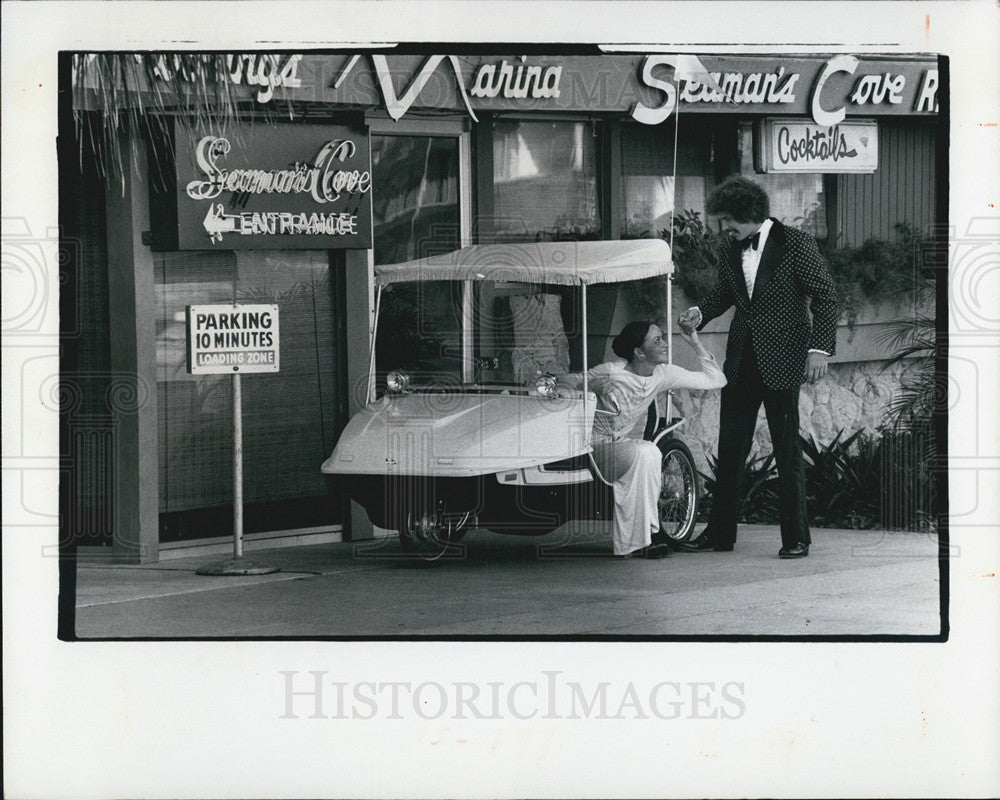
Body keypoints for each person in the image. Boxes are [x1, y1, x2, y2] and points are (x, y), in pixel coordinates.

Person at [676, 177, 838, 558]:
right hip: (742, 359)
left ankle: (796, 538)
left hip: (784, 360)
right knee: (730, 447)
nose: (724, 228)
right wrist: (701, 311)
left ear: (749, 215)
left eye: (729, 221)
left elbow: (826, 296)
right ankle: (719, 535)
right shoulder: (730, 247)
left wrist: (819, 349)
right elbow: (728, 293)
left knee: (786, 450)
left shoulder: (796, 243)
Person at [559, 321, 726, 559]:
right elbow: (560, 384)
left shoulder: (663, 374)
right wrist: (589, 386)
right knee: (645, 452)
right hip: (586, 449)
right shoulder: (611, 371)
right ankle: (645, 537)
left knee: (647, 452)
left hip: (617, 448)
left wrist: (695, 342)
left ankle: (641, 539)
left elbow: (716, 381)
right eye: (657, 340)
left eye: (662, 338)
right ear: (639, 352)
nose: (665, 344)